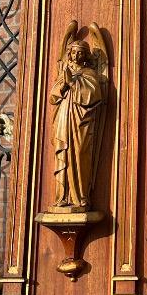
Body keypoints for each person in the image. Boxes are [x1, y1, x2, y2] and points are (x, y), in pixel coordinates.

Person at [50, 39, 105, 211]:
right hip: (64, 118)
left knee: (80, 154)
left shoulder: (89, 73)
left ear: (86, 55)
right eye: (73, 52)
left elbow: (94, 96)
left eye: (80, 52)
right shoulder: (65, 72)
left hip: (81, 121)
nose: (76, 55)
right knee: (64, 153)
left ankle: (81, 196)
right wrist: (64, 84)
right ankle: (63, 196)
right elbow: (53, 97)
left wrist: (73, 83)